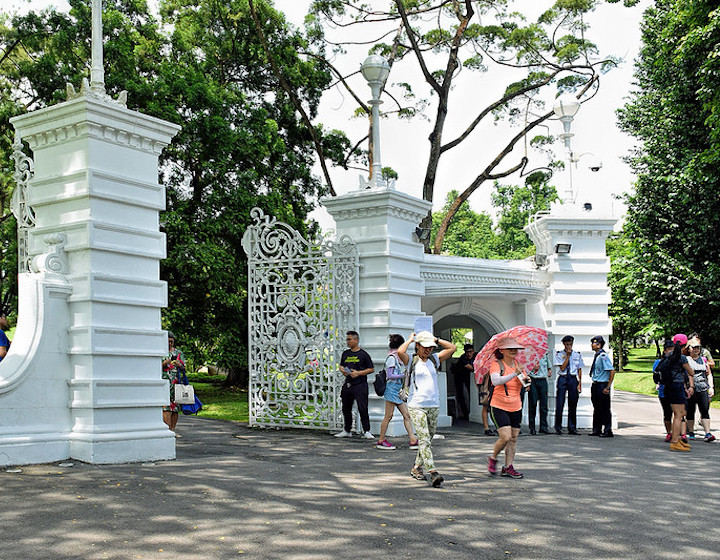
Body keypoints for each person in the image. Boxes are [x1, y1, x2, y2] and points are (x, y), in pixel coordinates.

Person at [398, 331, 456, 488]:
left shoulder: (434, 359)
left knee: (427, 440)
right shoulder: (412, 360)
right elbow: (400, 352)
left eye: (431, 347)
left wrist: (436, 339)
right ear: (418, 346)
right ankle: (433, 472)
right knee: (423, 439)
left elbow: (452, 348)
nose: (428, 350)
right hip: (416, 404)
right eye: (425, 346)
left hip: (433, 404)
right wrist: (410, 340)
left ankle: (416, 468)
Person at [486, 337, 530, 479]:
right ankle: (493, 457)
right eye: (510, 348)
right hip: (499, 405)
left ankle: (508, 467)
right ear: (501, 350)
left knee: (513, 438)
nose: (513, 351)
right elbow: (495, 381)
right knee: (505, 437)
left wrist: (527, 382)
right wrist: (515, 373)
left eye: (515, 348)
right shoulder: (497, 364)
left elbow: (522, 382)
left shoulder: (518, 364)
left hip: (516, 405)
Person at [376, 334, 419, 450]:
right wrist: (403, 375)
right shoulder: (392, 358)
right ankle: (381, 440)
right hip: (391, 390)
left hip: (396, 391)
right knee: (388, 416)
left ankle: (413, 439)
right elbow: (390, 375)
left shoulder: (395, 358)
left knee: (406, 415)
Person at [656, 333, 696, 451]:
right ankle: (675, 442)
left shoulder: (669, 356)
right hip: (677, 386)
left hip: (669, 387)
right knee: (678, 415)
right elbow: (691, 372)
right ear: (685, 345)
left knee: (681, 412)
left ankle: (677, 439)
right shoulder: (681, 357)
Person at [335, 331, 375, 439]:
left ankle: (366, 430)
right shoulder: (345, 353)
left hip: (360, 385)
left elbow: (371, 369)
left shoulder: (363, 354)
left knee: (362, 407)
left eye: (349, 339)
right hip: (348, 384)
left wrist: (358, 373)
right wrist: (343, 371)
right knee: (346, 408)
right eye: (347, 339)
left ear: (356, 340)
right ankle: (347, 430)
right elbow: (341, 365)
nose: (347, 341)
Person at [685, 336, 716, 442]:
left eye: (698, 347)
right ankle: (691, 431)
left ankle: (707, 433)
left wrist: (711, 387)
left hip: (702, 388)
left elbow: (708, 374)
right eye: (694, 348)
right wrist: (687, 387)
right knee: (690, 411)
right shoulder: (686, 360)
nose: (696, 350)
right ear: (689, 348)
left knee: (705, 410)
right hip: (691, 389)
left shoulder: (703, 360)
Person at [554, 335, 583, 435]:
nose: (568, 346)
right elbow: (562, 368)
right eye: (567, 344)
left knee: (573, 403)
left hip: (573, 378)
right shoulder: (559, 354)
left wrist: (580, 383)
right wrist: (568, 356)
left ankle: (572, 428)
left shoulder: (577, 354)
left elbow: (579, 369)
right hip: (563, 378)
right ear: (563, 344)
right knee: (560, 403)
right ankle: (558, 427)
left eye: (570, 344)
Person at [588, 335, 616, 437]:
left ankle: (608, 430)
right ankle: (597, 429)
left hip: (602, 384)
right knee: (597, 408)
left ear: (599, 345)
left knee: (605, 408)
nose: (592, 345)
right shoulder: (597, 356)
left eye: (594, 343)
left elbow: (612, 371)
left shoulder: (603, 356)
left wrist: (608, 386)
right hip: (596, 384)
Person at [162, 331, 185, 431]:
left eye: (171, 341)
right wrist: (165, 363)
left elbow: (184, 367)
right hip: (164, 383)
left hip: (176, 383)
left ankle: (172, 429)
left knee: (175, 407)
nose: (170, 344)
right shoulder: (160, 352)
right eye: (168, 341)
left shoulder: (178, 353)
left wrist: (180, 365)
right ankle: (166, 429)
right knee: (165, 406)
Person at [653, 340, 675, 442]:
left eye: (672, 349)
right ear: (665, 350)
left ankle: (678, 432)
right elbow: (656, 376)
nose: (670, 352)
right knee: (667, 413)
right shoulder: (659, 362)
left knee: (678, 413)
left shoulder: (678, 361)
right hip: (664, 390)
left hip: (676, 389)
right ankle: (669, 432)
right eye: (669, 349)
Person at [527, 349, 553, 435]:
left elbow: (549, 365)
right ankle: (532, 427)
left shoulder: (544, 354)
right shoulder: (529, 355)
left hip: (542, 379)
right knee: (532, 404)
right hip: (533, 379)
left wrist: (549, 370)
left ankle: (543, 426)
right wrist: (532, 367)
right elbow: (525, 368)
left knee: (544, 405)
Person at [451, 344, 475, 421]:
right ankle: (466, 413)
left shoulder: (475, 356)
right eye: (467, 352)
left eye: (470, 352)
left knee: (471, 394)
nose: (469, 354)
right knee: (460, 395)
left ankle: (471, 412)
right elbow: (470, 368)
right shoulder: (463, 358)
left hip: (468, 377)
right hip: (459, 376)